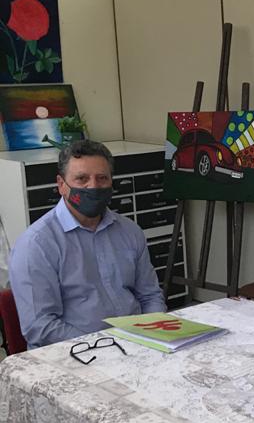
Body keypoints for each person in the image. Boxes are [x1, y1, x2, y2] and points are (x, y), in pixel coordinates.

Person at [9, 139, 166, 349]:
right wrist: (105, 345)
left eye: (102, 178)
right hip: (73, 354)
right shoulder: (36, 244)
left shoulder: (130, 231)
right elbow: (40, 326)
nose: (93, 186)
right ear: (61, 185)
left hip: (136, 344)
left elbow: (150, 296)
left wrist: (152, 333)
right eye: (82, 179)